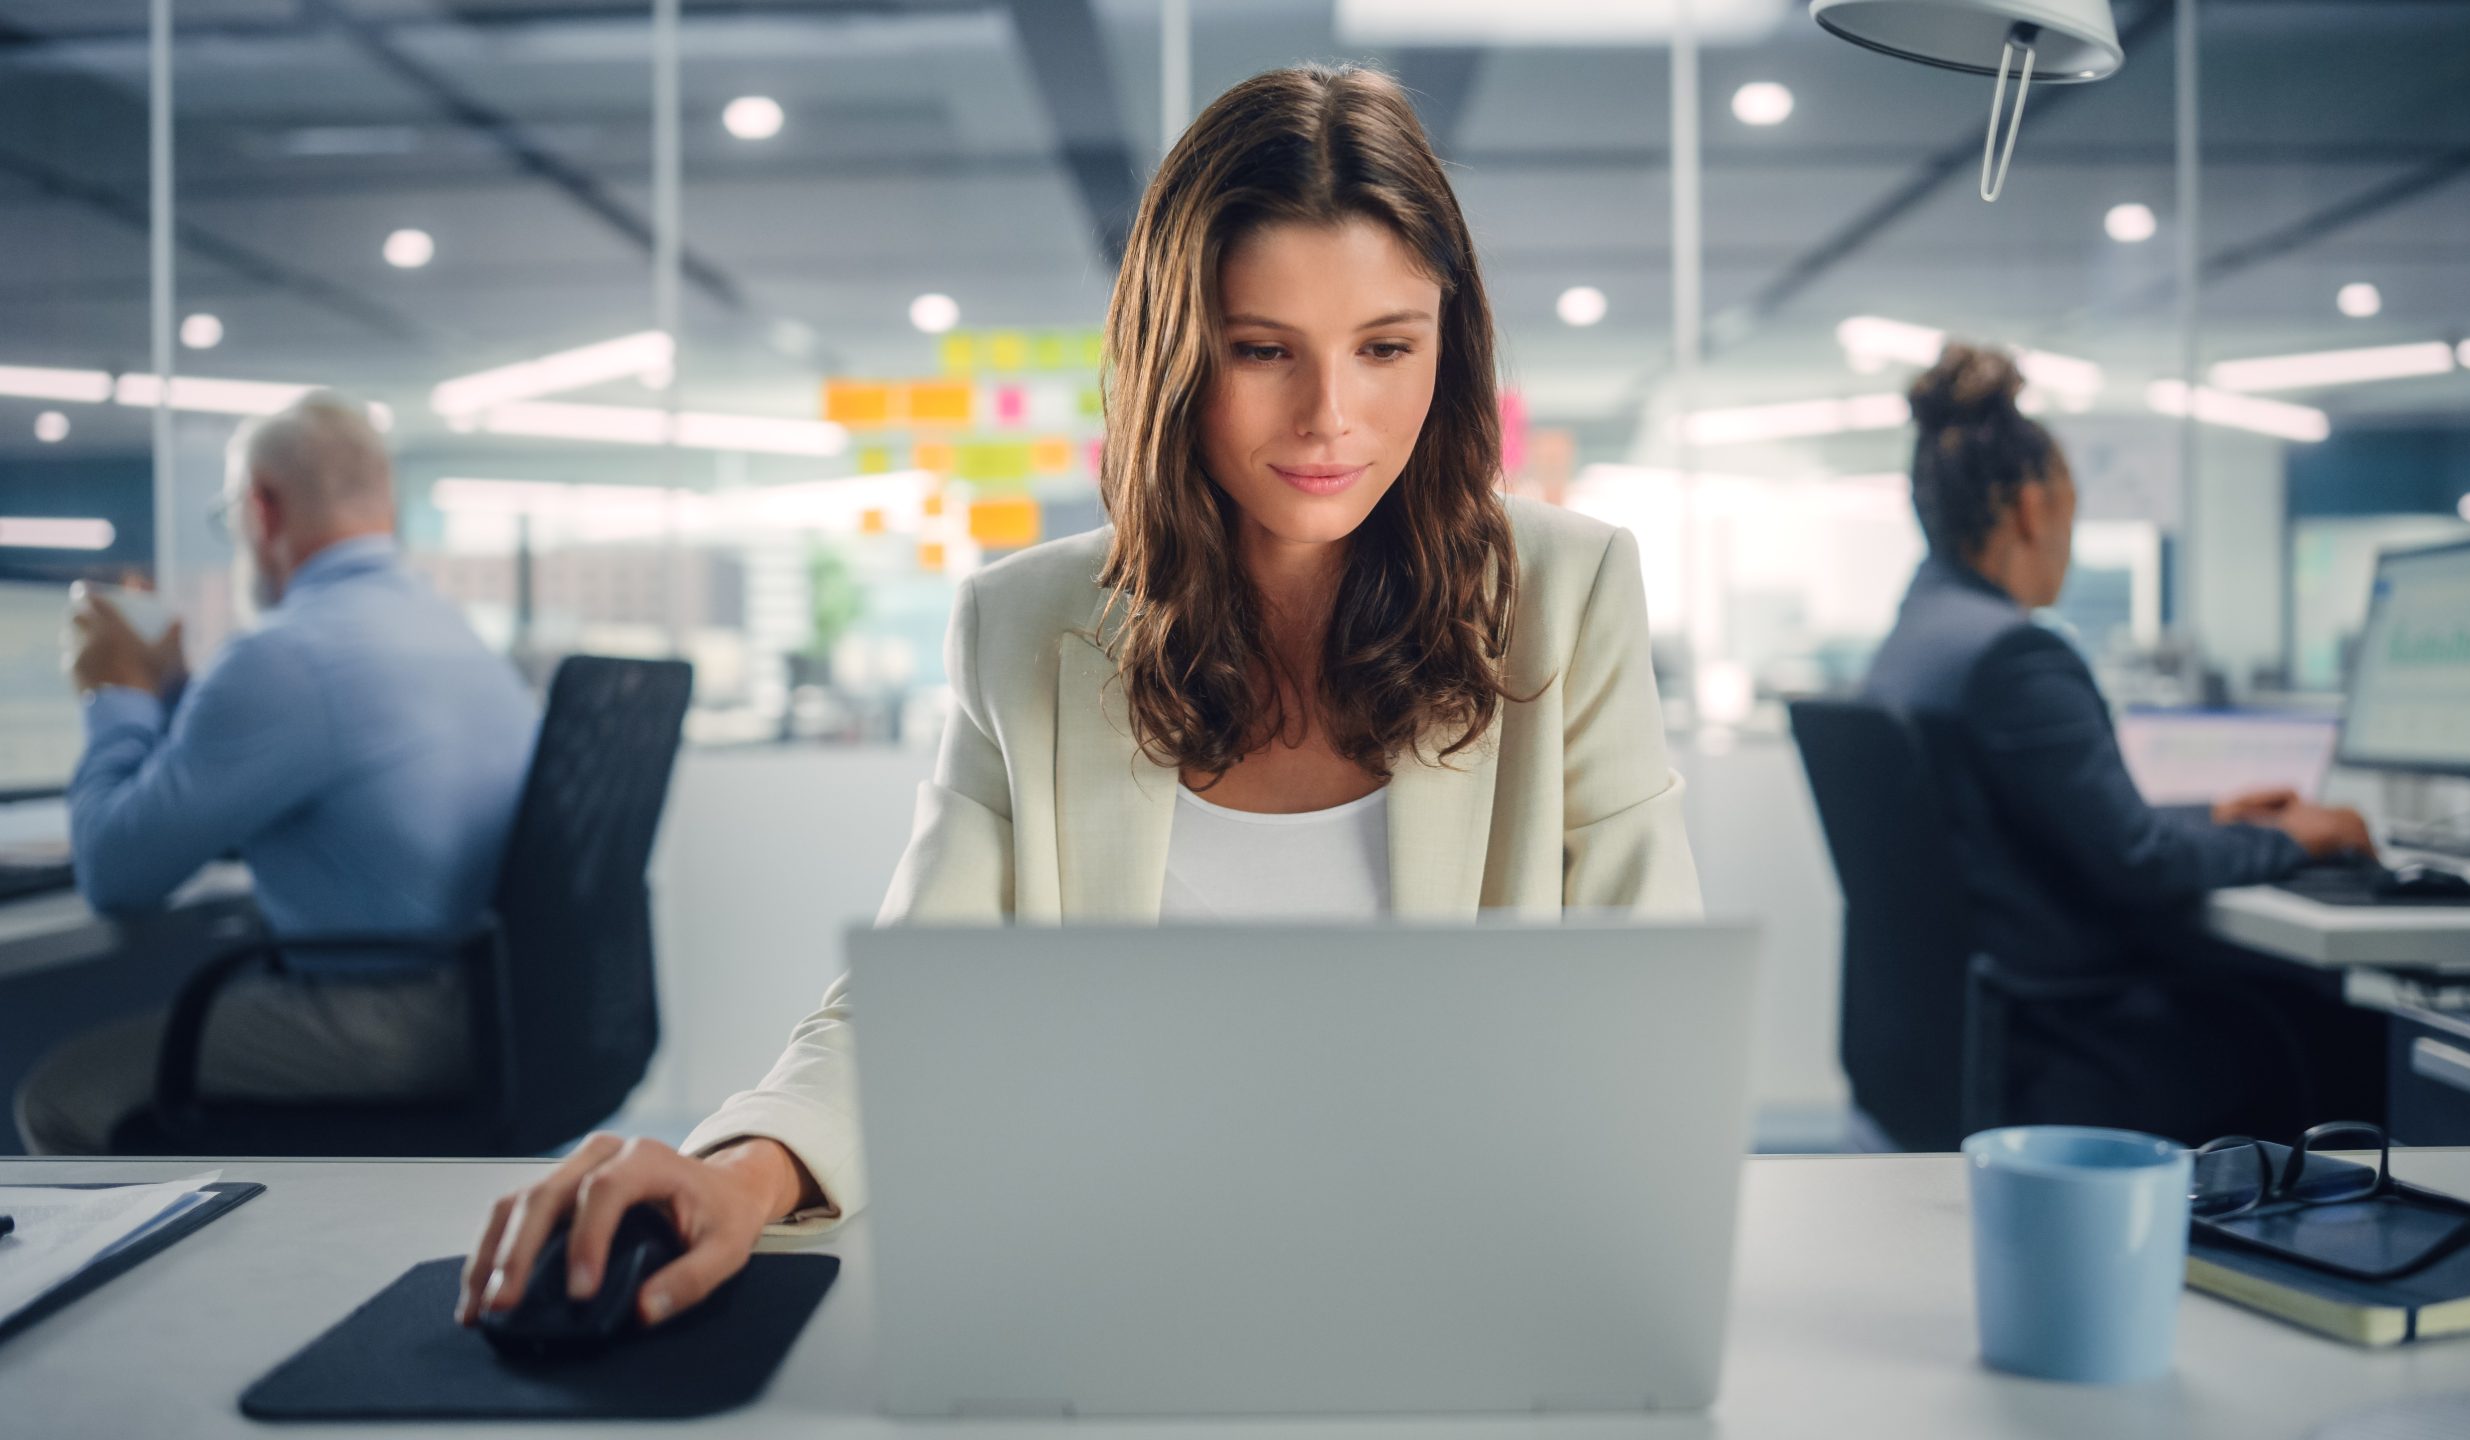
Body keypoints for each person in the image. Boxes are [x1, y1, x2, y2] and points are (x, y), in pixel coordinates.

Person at [456, 64, 1701, 1334]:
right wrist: (741, 1169)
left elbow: (1651, 1015)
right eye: (1261, 351)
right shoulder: (1026, 624)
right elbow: (915, 996)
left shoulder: (1566, 589)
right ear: (1172, 356)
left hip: (1454, 1281)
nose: (1333, 416)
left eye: (1387, 347)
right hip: (1117, 1286)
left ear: (1452, 342)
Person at [1861, 343, 2378, 1143]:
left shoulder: (1915, 639)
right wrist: (2287, 838)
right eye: (2073, 509)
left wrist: (2213, 815)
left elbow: (2055, 829)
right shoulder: (2013, 654)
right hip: (2071, 1042)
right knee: (2340, 1031)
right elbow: (2142, 864)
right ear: (2034, 508)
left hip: (1970, 1030)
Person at [14, 391, 540, 1155]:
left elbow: (112, 870)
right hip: (496, 1005)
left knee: (62, 1095)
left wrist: (113, 691)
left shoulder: (283, 657)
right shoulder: (450, 629)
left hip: (385, 1022)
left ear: (261, 509)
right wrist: (176, 697)